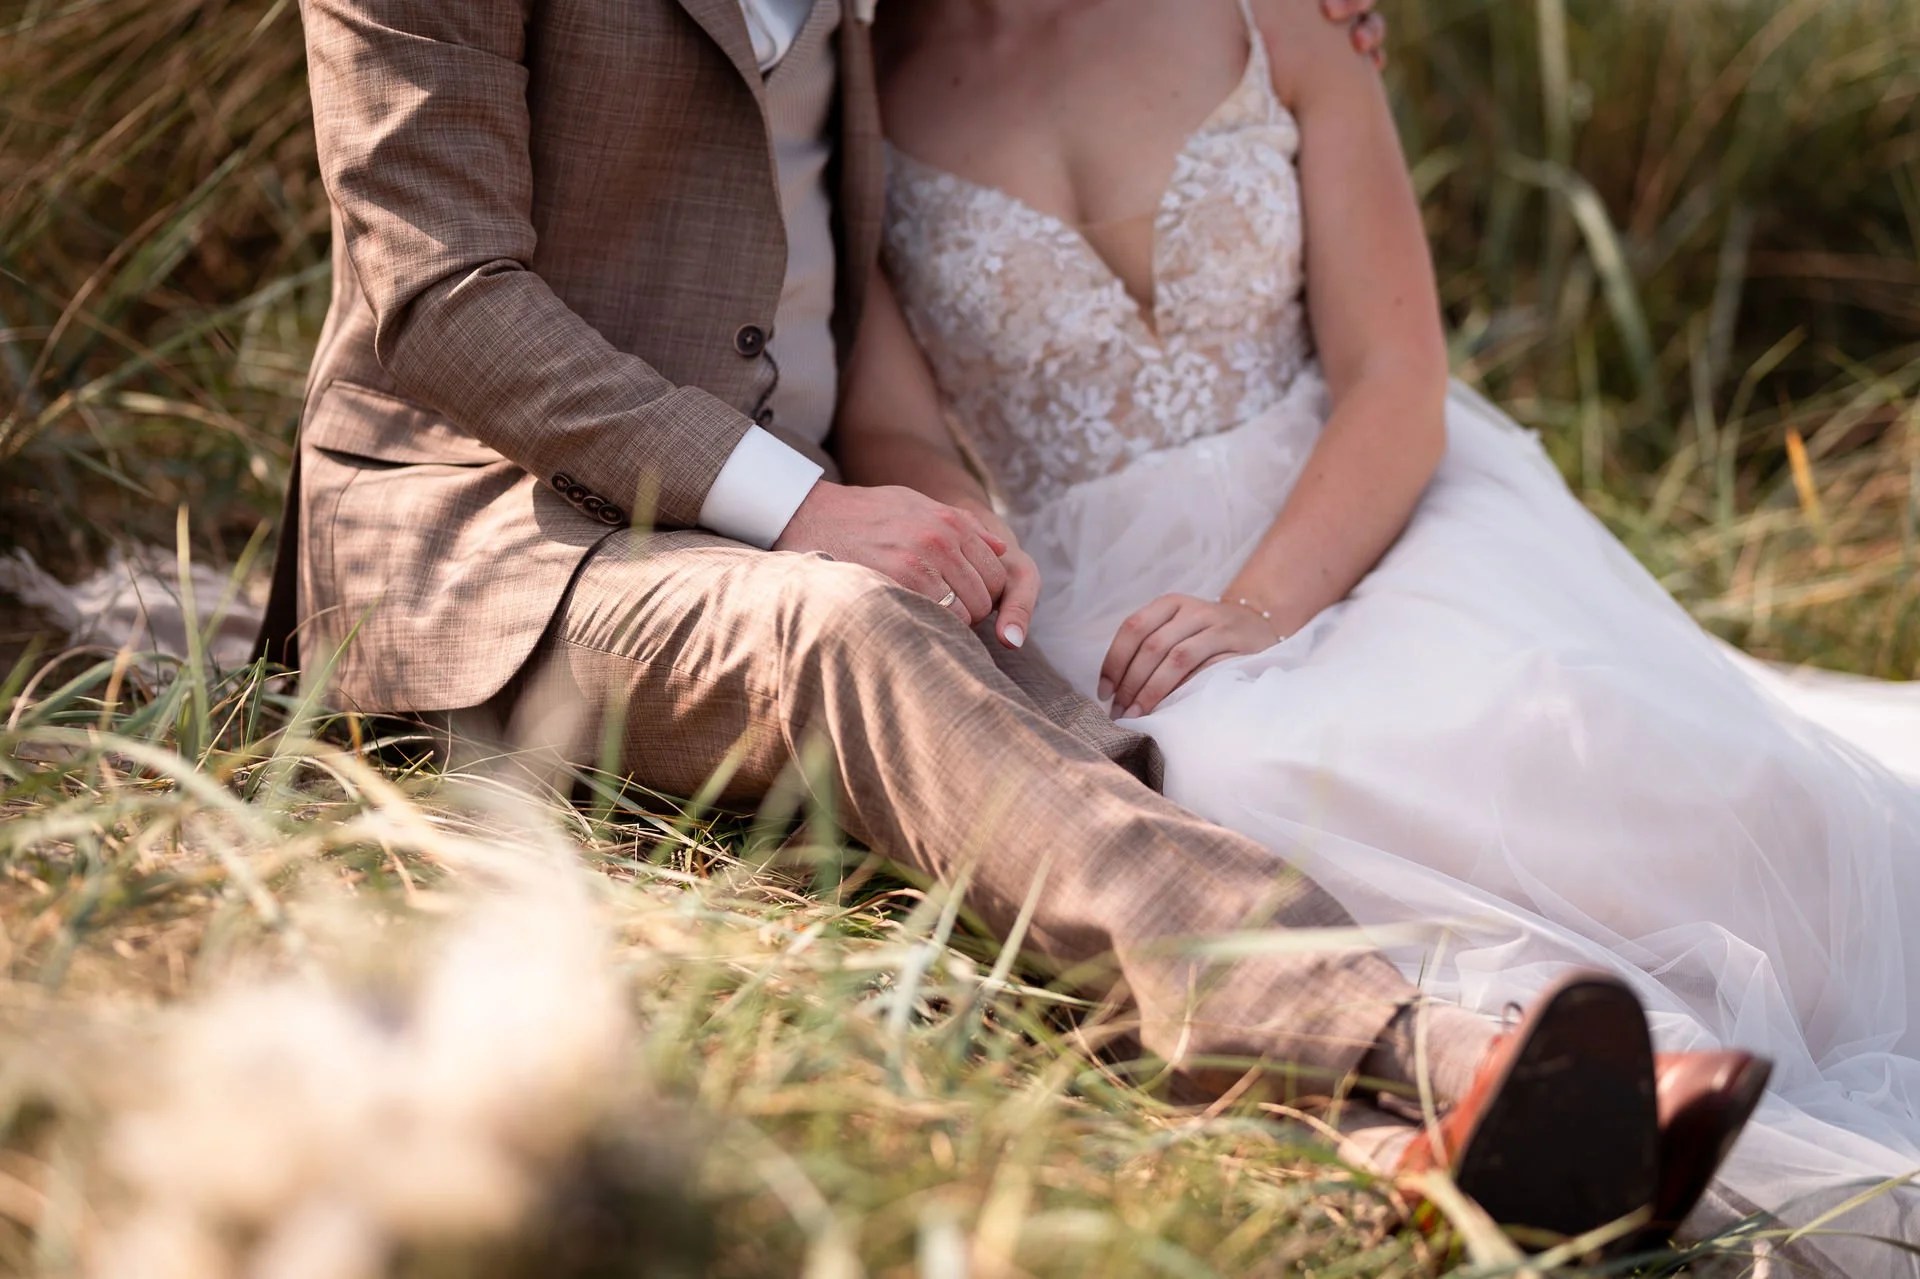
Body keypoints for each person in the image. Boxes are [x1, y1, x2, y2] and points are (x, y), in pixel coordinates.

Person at [260, 0, 1766, 1249]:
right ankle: (1421, 1046)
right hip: (503, 531)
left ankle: (1391, 1152)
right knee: (846, 633)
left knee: (1085, 755)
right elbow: (439, 296)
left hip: (802, 507)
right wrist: (801, 506)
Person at [846, 0, 1920, 1264]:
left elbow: (1394, 371)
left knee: (1583, 724)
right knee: (1230, 780)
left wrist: (1258, 608)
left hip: (1375, 493)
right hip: (1092, 584)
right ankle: (1528, 1096)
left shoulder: (1275, 18)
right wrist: (975, 542)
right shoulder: (851, 98)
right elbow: (898, 430)